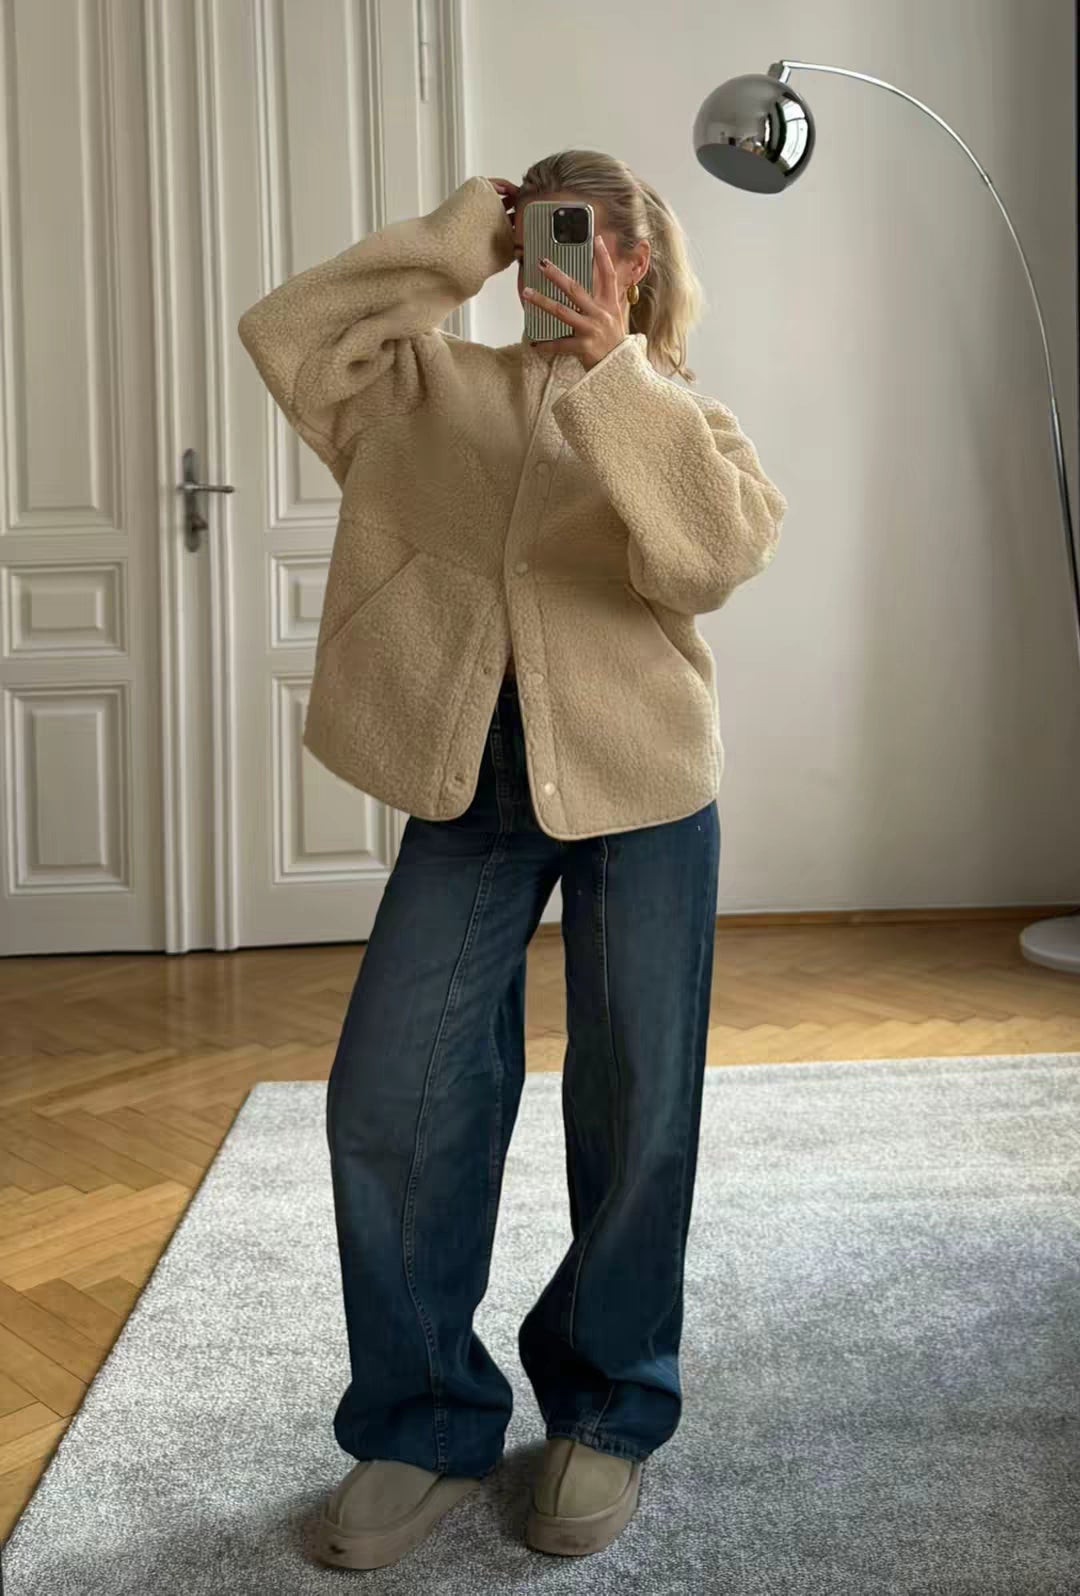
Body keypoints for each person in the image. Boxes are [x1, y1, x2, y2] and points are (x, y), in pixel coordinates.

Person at [237, 147, 786, 1572]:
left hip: (644, 786)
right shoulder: (425, 390)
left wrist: (616, 379)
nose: (561, 261)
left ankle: (607, 1407)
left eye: (586, 240)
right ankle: (425, 1420)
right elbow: (288, 335)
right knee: (391, 1096)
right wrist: (452, 244)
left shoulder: (681, 416)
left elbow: (711, 560)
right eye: (541, 234)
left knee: (638, 1103)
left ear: (637, 263)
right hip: (468, 794)